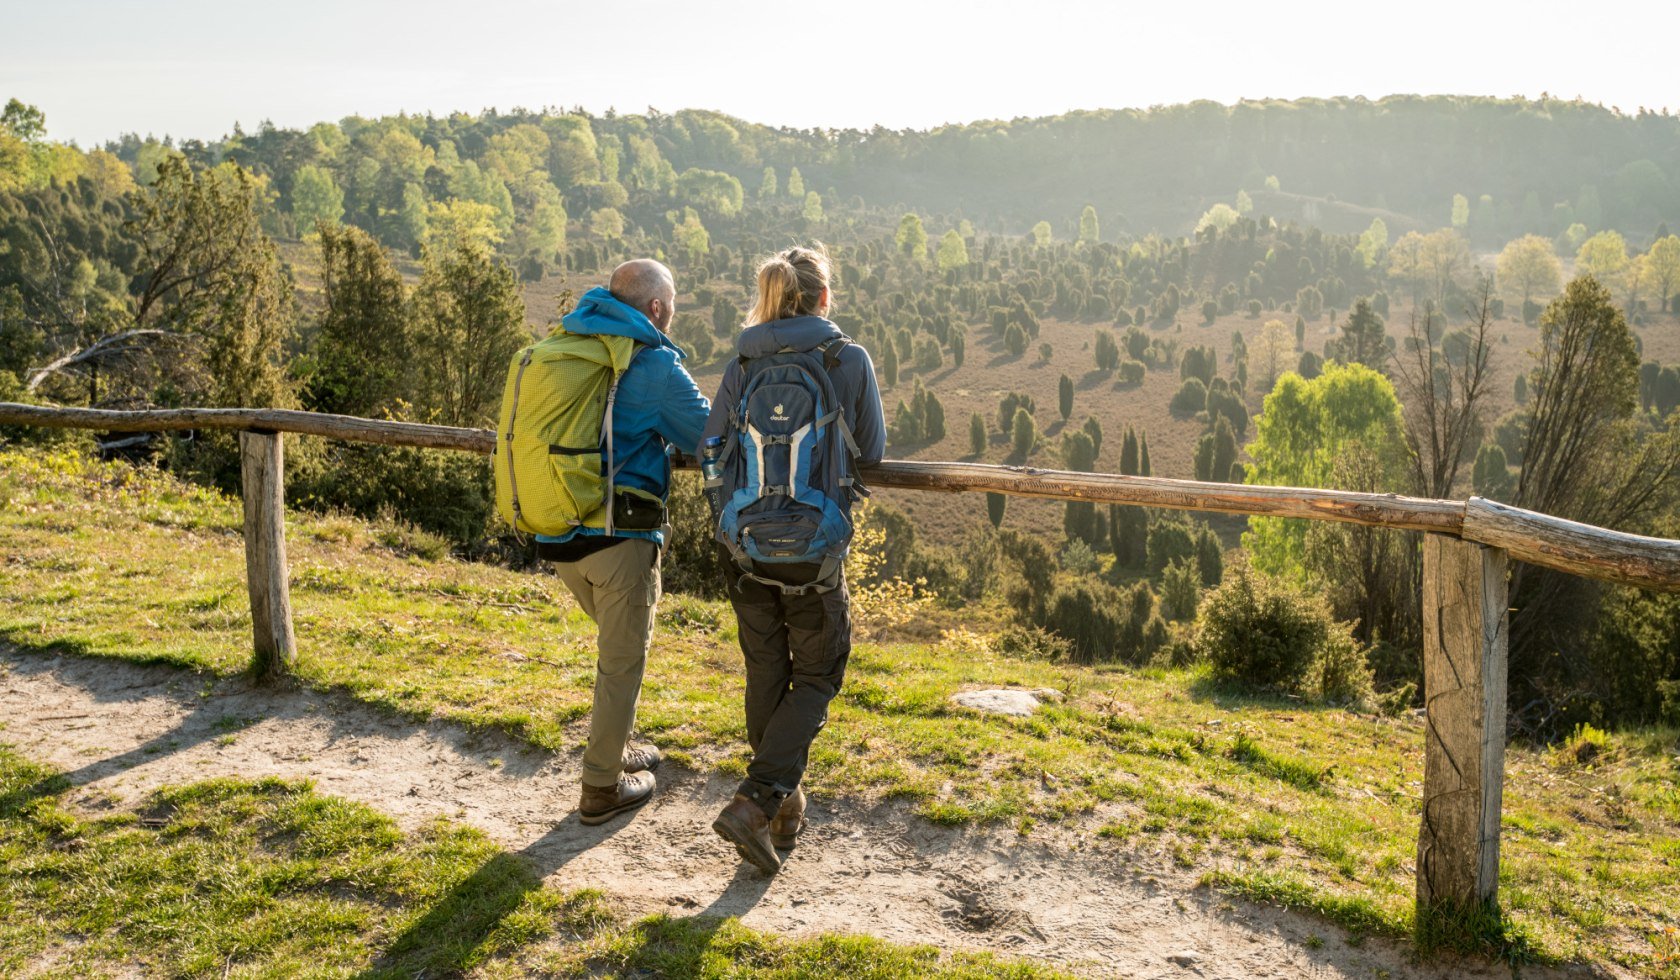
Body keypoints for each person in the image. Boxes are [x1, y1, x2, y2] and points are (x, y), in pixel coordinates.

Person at [702, 244, 886, 872]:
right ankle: (756, 803)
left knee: (764, 672)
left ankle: (782, 808)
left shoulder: (742, 361)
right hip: (812, 552)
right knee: (817, 675)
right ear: (824, 297)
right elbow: (876, 450)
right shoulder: (845, 357)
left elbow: (710, 446)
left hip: (746, 547)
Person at [538, 259, 710, 826]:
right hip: (619, 537)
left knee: (617, 654)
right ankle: (600, 789)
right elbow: (708, 435)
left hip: (557, 531)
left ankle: (618, 749)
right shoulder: (653, 362)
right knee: (622, 664)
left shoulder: (570, 345)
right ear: (657, 308)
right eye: (674, 303)